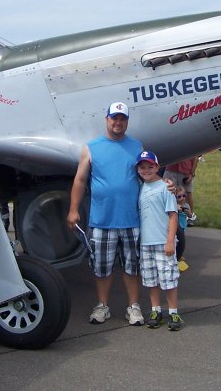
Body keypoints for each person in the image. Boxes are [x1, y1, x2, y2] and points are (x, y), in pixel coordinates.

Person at [67, 101, 145, 326]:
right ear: (107, 119)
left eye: (122, 118)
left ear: (127, 121)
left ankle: (133, 307)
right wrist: (73, 209)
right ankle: (102, 306)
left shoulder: (137, 146)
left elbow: (147, 175)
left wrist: (165, 184)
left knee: (132, 267)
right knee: (102, 268)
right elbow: (80, 179)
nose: (118, 122)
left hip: (131, 219)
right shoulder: (91, 147)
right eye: (114, 118)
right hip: (102, 220)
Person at [135, 151, 183, 331]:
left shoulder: (165, 187)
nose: (146, 170)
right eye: (142, 167)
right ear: (138, 169)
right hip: (146, 242)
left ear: (157, 167)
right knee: (151, 280)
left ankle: (173, 312)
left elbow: (173, 215)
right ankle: (156, 310)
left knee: (169, 279)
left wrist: (170, 241)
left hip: (163, 241)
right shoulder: (140, 187)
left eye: (150, 166)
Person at [163, 156, 199, 225]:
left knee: (186, 194)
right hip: (171, 168)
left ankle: (190, 216)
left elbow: (195, 157)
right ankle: (170, 215)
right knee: (169, 192)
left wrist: (192, 173)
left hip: (185, 170)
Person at [174, 187, 190, 272]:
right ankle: (177, 256)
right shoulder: (174, 205)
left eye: (184, 196)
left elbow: (190, 215)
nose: (182, 198)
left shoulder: (186, 205)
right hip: (176, 227)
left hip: (183, 226)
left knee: (181, 242)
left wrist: (187, 211)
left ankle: (179, 255)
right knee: (176, 242)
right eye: (179, 197)